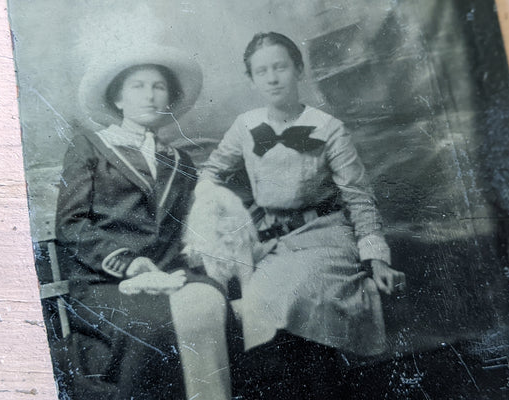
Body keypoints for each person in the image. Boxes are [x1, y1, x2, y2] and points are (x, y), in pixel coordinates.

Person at [177, 31, 406, 399]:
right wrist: (212, 198)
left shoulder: (328, 128)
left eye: (280, 67)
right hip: (273, 241)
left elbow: (359, 197)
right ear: (251, 79)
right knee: (262, 303)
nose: (272, 78)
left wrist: (376, 258)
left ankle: (326, 390)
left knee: (304, 293)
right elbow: (212, 169)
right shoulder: (247, 126)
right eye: (262, 71)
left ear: (298, 70)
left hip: (325, 235)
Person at [55, 44, 224, 399]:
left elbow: (191, 227)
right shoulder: (91, 146)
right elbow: (71, 225)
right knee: (156, 328)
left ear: (168, 98)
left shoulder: (180, 161)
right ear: (118, 98)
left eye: (158, 86)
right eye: (137, 86)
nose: (149, 95)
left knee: (210, 303)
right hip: (104, 283)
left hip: (167, 272)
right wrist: (129, 264)